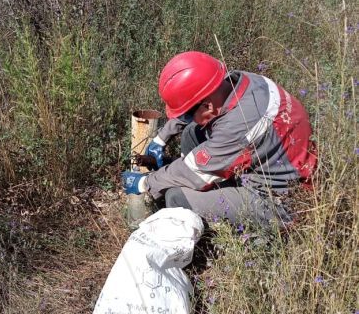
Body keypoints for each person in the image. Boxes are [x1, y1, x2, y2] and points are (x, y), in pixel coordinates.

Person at [122, 51, 317, 229]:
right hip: (267, 158)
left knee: (177, 197)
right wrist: (161, 138)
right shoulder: (238, 80)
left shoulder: (238, 126)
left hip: (279, 200)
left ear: (207, 106)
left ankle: (197, 242)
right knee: (192, 132)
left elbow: (193, 171)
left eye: (189, 114)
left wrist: (145, 183)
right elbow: (193, 110)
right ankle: (200, 181)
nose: (186, 118)